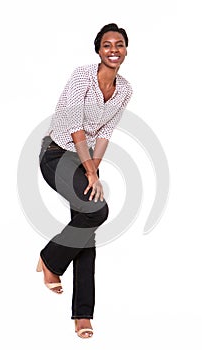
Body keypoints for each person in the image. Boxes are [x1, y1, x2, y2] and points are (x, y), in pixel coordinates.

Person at [37, 23, 133, 339]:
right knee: (97, 213)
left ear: (126, 50)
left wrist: (94, 169)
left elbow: (104, 132)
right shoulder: (82, 76)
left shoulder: (125, 89)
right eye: (107, 45)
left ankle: (83, 315)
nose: (114, 50)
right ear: (98, 50)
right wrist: (91, 173)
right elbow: (77, 127)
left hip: (86, 159)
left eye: (119, 44)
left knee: (86, 226)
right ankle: (50, 258)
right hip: (57, 152)